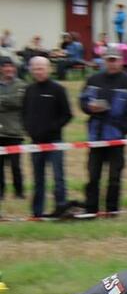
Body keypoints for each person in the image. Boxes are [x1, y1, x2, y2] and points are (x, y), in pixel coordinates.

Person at [79, 46, 127, 216]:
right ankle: (91, 210)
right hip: (96, 136)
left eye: (115, 60)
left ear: (121, 61)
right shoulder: (93, 79)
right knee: (93, 176)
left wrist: (123, 129)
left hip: (116, 138)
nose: (112, 63)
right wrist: (89, 108)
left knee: (114, 177)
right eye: (109, 60)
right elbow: (82, 100)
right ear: (104, 61)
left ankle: (111, 211)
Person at [21, 57, 71, 218]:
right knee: (38, 179)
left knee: (58, 178)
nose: (38, 72)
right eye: (35, 69)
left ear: (48, 69)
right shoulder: (29, 90)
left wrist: (52, 128)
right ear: (31, 71)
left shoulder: (58, 89)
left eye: (41, 68)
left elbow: (67, 115)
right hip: (35, 143)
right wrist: (28, 128)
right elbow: (24, 113)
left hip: (55, 142)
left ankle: (61, 210)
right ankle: (37, 212)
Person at [0, 56, 27, 212]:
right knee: (0, 167)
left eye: (11, 66)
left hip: (15, 132)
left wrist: (3, 100)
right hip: (0, 132)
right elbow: (12, 102)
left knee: (16, 166)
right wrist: (7, 100)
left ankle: (19, 192)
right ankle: (1, 193)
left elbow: (18, 101)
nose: (9, 69)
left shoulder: (21, 85)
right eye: (5, 66)